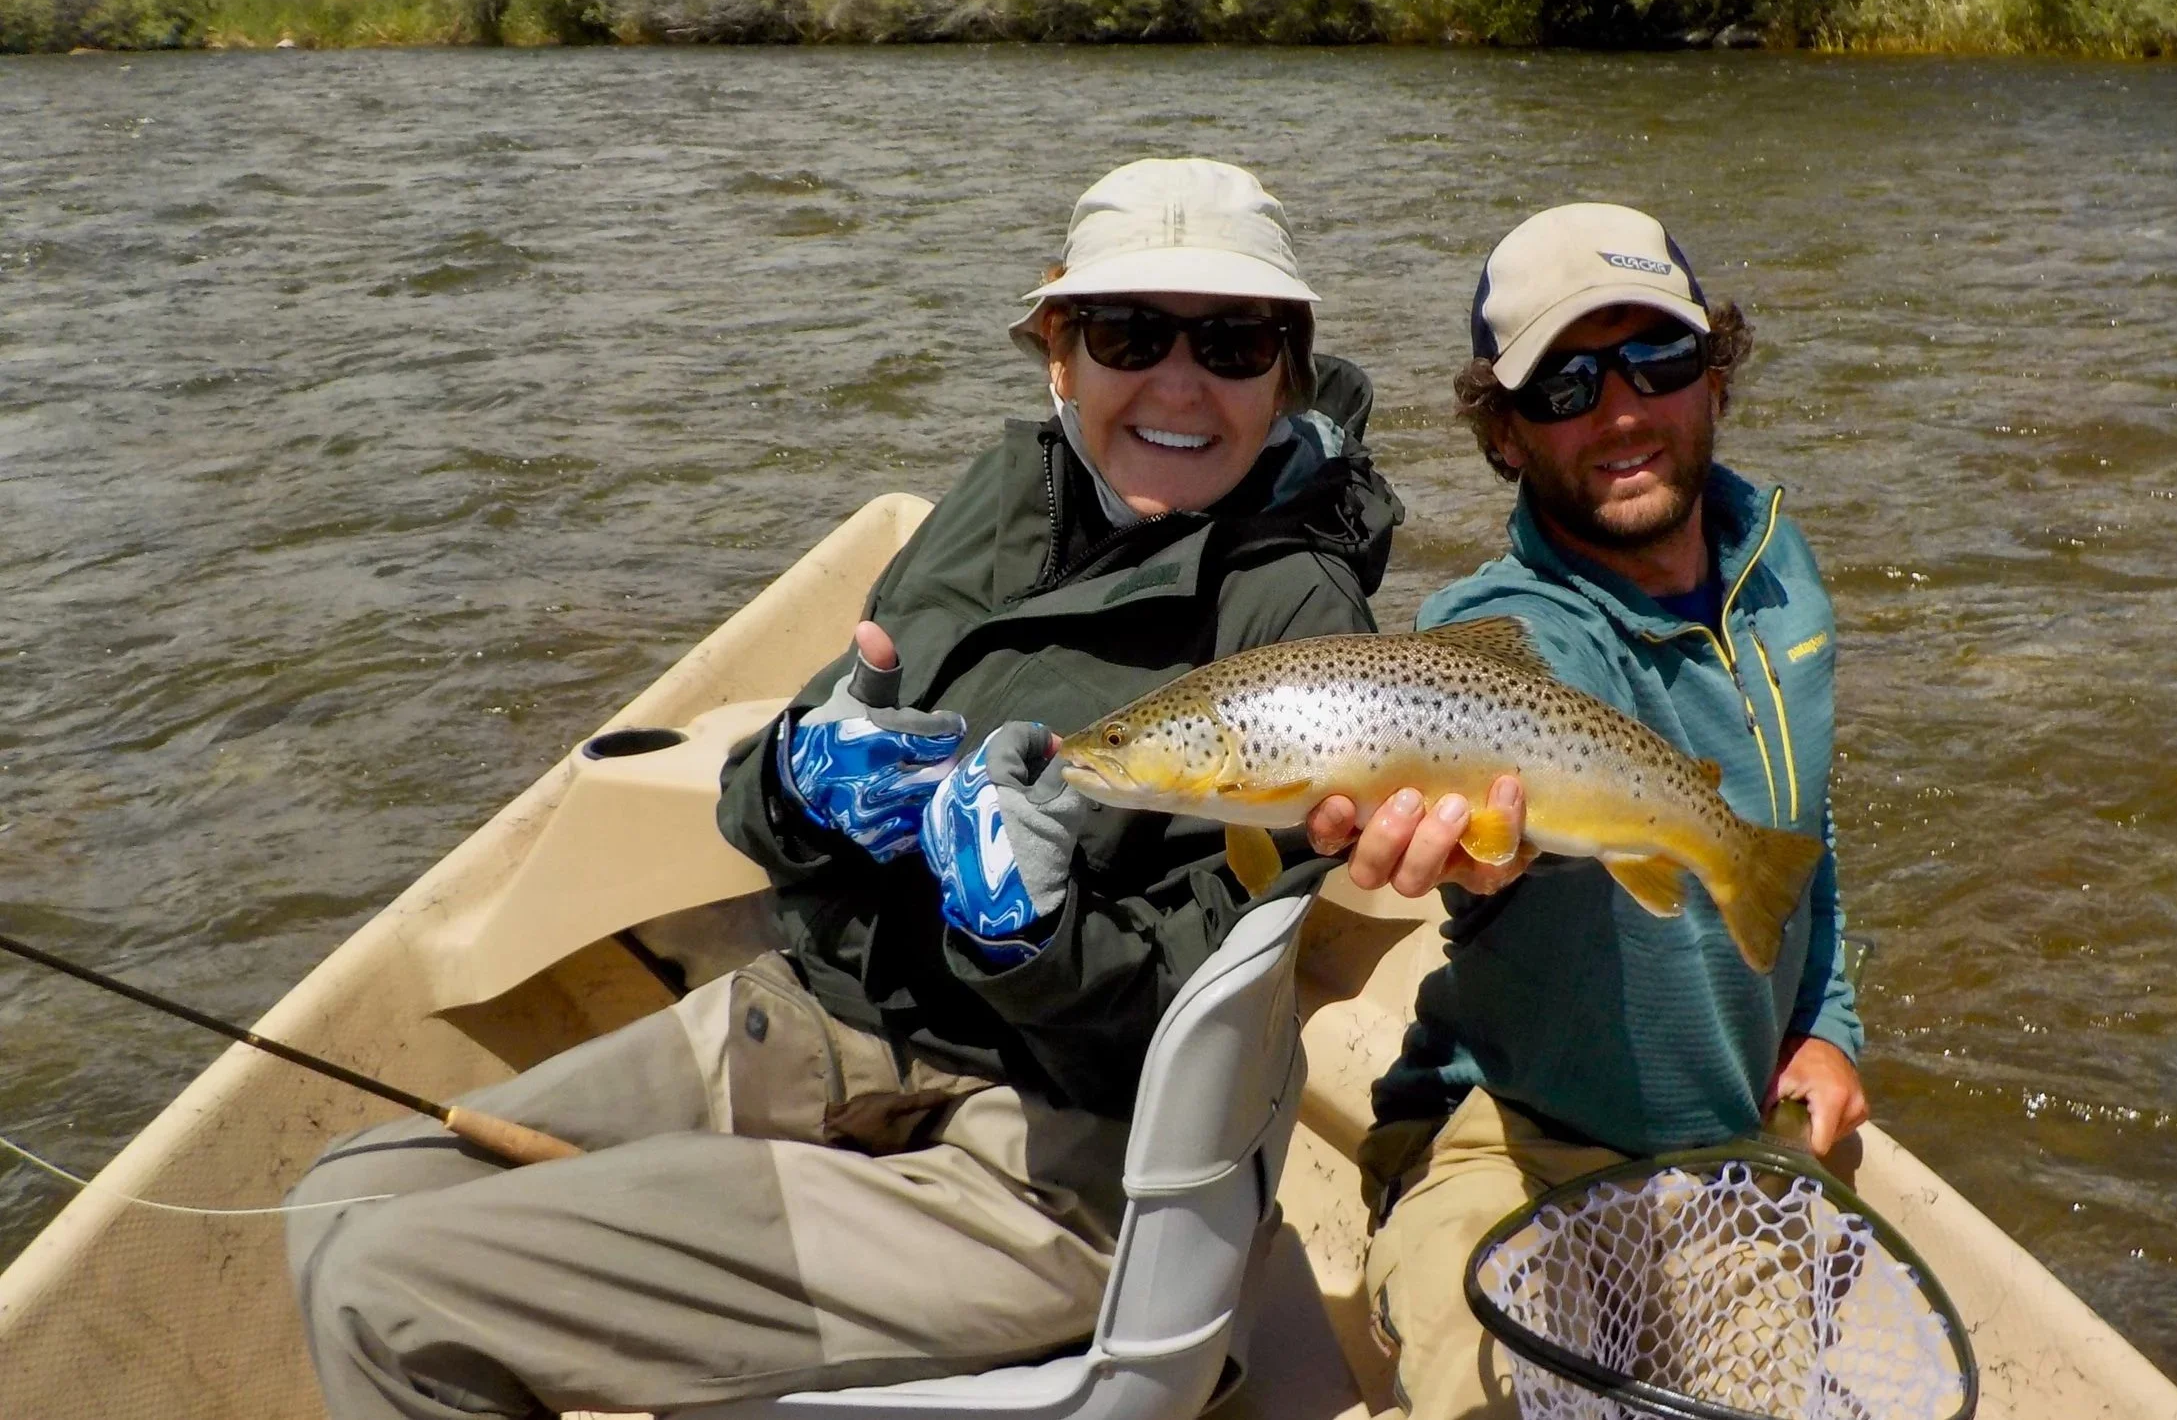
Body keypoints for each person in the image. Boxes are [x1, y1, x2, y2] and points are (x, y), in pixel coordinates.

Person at [282, 158, 1402, 1420]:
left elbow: (1210, 1025)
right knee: (347, 1192)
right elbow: (776, 780)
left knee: (384, 1288)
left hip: (1037, 1148)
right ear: (1058, 351)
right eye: (1129, 332)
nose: (1181, 381)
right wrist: (802, 784)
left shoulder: (1301, 618)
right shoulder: (999, 498)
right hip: (821, 1018)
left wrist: (1033, 940)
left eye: (1236, 341)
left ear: (1287, 372)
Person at [1310, 203, 1866, 1420]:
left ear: (1714, 373)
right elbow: (1455, 823)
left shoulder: (1781, 565)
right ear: (1503, 434)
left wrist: (1825, 1020)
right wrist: (1463, 862)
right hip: (1506, 1137)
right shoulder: (1500, 634)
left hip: (1722, 1155)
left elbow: (1801, 842)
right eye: (1562, 386)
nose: (1619, 411)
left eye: (1655, 361)